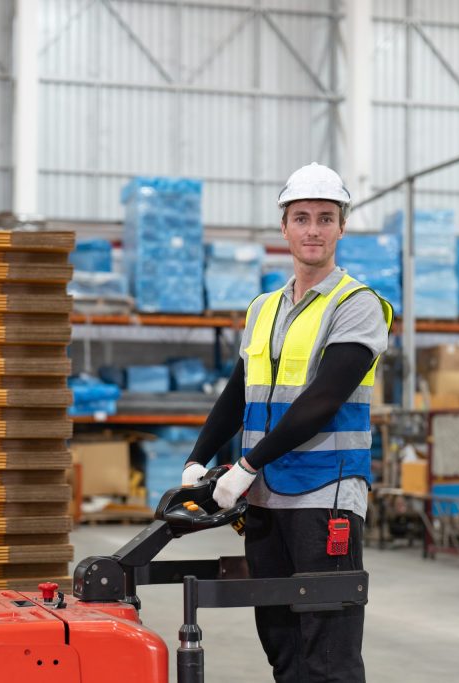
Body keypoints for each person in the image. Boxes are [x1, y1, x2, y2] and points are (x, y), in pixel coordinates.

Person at [181, 162, 393, 683]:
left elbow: (322, 401)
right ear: (285, 227)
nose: (313, 230)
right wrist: (196, 460)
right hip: (265, 497)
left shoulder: (357, 305)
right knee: (281, 644)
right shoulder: (263, 308)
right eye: (302, 218)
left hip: (325, 496)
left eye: (325, 218)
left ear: (342, 227)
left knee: (326, 651)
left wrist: (247, 465)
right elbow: (238, 392)